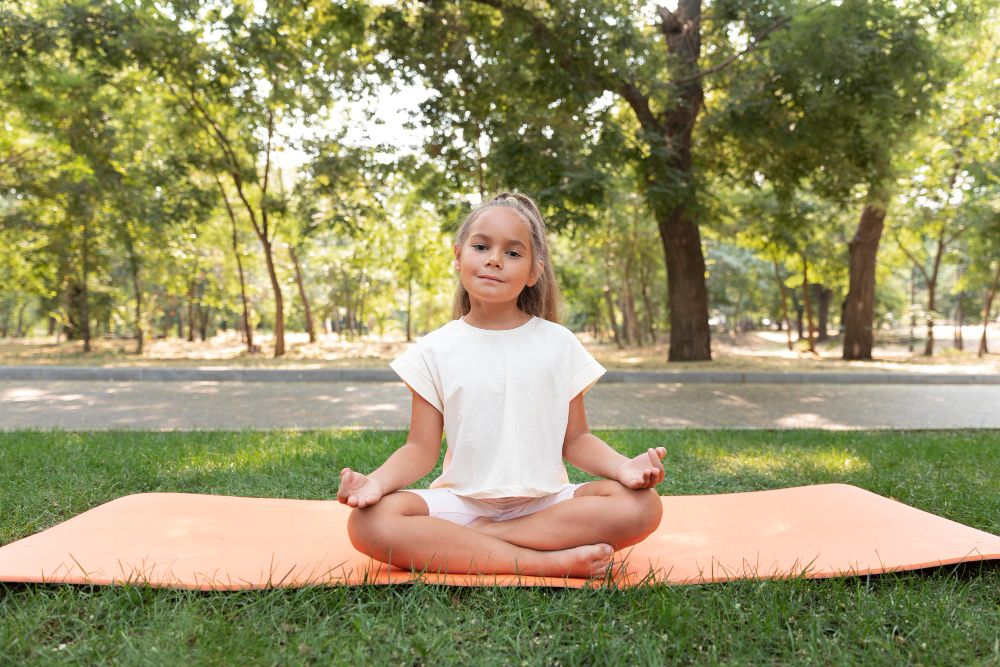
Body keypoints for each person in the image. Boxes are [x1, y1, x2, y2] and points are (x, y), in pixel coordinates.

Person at [337, 192, 666, 579]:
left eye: (513, 253)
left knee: (643, 507)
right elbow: (420, 448)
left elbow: (576, 439)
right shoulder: (433, 349)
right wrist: (375, 482)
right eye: (481, 246)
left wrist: (624, 467)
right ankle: (542, 561)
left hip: (547, 505)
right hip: (462, 503)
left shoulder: (559, 343)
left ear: (533, 272)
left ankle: (484, 538)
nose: (494, 259)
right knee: (369, 523)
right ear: (459, 256)